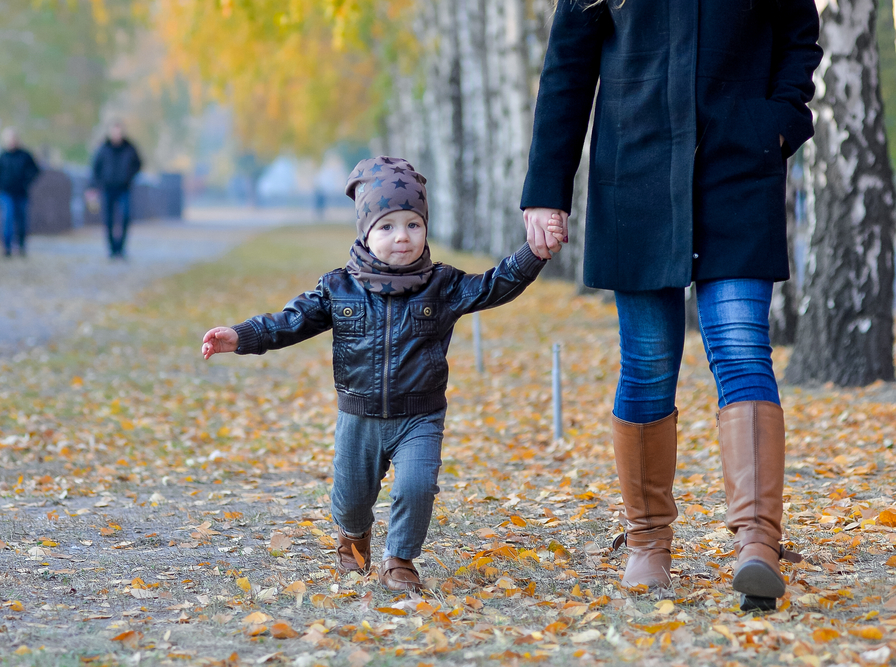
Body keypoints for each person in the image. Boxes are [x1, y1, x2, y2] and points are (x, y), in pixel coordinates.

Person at [521, 0, 821, 611]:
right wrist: (546, 192)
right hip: (636, 171)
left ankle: (758, 543)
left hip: (738, 170)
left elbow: (798, 34)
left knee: (740, 348)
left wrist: (781, 122)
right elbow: (568, 66)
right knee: (649, 363)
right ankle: (648, 542)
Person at [202, 157, 556, 591]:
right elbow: (288, 322)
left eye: (413, 225)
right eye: (387, 227)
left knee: (417, 486)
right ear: (365, 234)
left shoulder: (441, 285)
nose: (401, 237)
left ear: (426, 229)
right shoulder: (339, 287)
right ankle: (354, 542)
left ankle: (400, 561)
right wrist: (240, 336)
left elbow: (493, 285)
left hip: (419, 416)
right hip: (359, 417)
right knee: (351, 502)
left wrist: (532, 254)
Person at [90, 121, 142, 258]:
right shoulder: (103, 148)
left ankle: (121, 248)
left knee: (125, 216)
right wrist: (94, 186)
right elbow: (95, 168)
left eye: (119, 132)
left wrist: (129, 176)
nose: (116, 135)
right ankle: (112, 249)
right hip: (107, 189)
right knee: (108, 219)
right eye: (114, 131)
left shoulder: (129, 148)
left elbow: (139, 164)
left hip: (124, 188)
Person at [0, 127, 40, 257]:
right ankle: (7, 247)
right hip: (5, 193)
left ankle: (21, 246)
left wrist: (26, 181)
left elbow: (35, 170)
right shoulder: (2, 156)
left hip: (21, 193)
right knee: (7, 219)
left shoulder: (25, 155)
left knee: (21, 221)